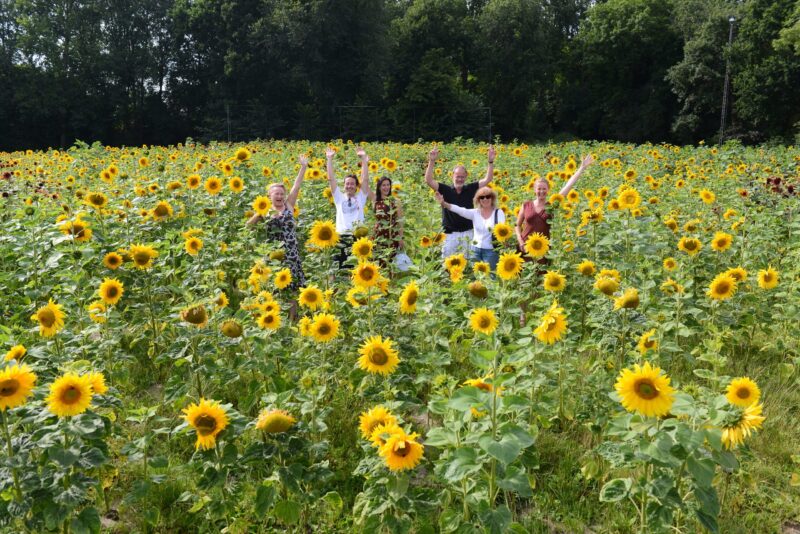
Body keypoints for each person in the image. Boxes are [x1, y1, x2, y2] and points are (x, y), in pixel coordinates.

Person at [247, 155, 308, 310]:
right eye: (276, 194)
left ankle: (293, 318)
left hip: (291, 253)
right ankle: (277, 317)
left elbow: (297, 186)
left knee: (293, 287)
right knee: (276, 287)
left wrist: (303, 167)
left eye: (282, 193)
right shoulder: (264, 210)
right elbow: (248, 226)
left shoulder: (288, 205)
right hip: (274, 254)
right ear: (270, 196)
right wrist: (258, 217)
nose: (280, 196)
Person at [515, 154, 595, 261]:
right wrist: (521, 242)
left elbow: (568, 185)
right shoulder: (526, 205)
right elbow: (517, 225)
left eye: (544, 189)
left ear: (548, 190)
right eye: (539, 189)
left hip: (543, 249)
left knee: (542, 276)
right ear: (534, 189)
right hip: (524, 248)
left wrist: (582, 168)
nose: (541, 191)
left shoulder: (552, 205)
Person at [425, 145, 496, 258]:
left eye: (462, 177)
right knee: (447, 264)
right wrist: (432, 161)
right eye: (457, 176)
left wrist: (490, 161)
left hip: (467, 233)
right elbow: (428, 180)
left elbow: (488, 179)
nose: (460, 179)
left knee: (467, 263)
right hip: (450, 234)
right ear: (452, 176)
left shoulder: (471, 188)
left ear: (466, 176)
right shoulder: (445, 189)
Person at [434, 187, 505, 272]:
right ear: (478, 200)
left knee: (491, 275)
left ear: (492, 198)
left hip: (491, 250)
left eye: (488, 196)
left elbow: (502, 228)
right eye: (482, 197)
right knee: (477, 275)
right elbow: (460, 210)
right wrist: (444, 203)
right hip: (475, 250)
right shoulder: (475, 213)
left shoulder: (498, 212)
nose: (485, 199)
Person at [326, 146, 371, 269]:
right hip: (341, 237)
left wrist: (363, 159)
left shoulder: (361, 197)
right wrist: (329, 159)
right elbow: (331, 179)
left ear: (356, 186)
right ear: (344, 185)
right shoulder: (339, 198)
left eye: (352, 183)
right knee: (338, 269)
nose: (349, 186)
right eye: (347, 183)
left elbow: (365, 179)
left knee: (356, 269)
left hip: (357, 237)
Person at [364, 175, 404, 267]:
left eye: (388, 185)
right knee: (375, 260)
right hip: (378, 235)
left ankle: (390, 281)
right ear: (379, 187)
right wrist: (364, 162)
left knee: (390, 262)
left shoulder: (395, 201)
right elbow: (364, 185)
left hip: (392, 235)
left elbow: (400, 221)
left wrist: (401, 238)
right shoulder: (375, 199)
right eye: (383, 185)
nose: (386, 187)